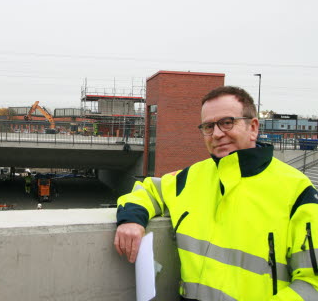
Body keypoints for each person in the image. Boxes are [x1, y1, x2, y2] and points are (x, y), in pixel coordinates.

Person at [114, 86, 318, 300]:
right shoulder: (191, 177)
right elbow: (148, 190)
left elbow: (312, 284)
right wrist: (131, 220)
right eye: (208, 126)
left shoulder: (297, 191)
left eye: (227, 122)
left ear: (253, 127)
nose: (218, 134)